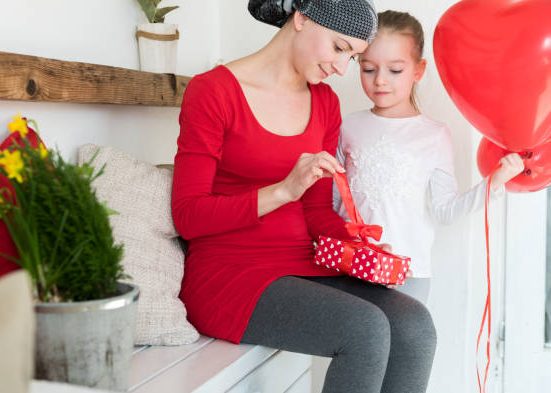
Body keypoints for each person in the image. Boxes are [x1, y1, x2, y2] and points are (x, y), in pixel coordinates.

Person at [172, 2, 436, 392]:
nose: (342, 67)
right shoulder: (212, 91)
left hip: (301, 262)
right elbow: (187, 216)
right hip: (228, 272)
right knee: (364, 330)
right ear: (301, 19)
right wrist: (281, 192)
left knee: (415, 327)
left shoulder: (325, 103)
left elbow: (315, 211)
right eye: (338, 47)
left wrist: (356, 242)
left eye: (352, 56)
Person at [333, 10, 524, 305]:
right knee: (352, 348)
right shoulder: (347, 126)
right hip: (349, 267)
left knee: (404, 350)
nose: (380, 81)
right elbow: (333, 204)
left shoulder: (434, 135)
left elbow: (445, 210)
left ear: (418, 70)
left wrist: (494, 183)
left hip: (409, 274)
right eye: (368, 68)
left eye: (395, 70)